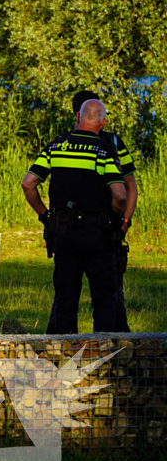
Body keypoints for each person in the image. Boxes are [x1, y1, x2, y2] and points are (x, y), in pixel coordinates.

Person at [21, 99, 128, 333]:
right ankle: (104, 356)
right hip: (97, 234)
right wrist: (116, 217)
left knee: (66, 297)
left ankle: (64, 355)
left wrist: (45, 216)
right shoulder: (104, 151)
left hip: (63, 233)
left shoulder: (56, 147)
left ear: (78, 117)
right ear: (103, 122)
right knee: (103, 298)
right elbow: (120, 196)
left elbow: (28, 184)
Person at [71, 90, 136, 332]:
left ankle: (118, 343)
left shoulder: (113, 143)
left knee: (110, 294)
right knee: (73, 296)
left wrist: (124, 222)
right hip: (87, 227)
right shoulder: (68, 142)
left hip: (106, 228)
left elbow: (129, 187)